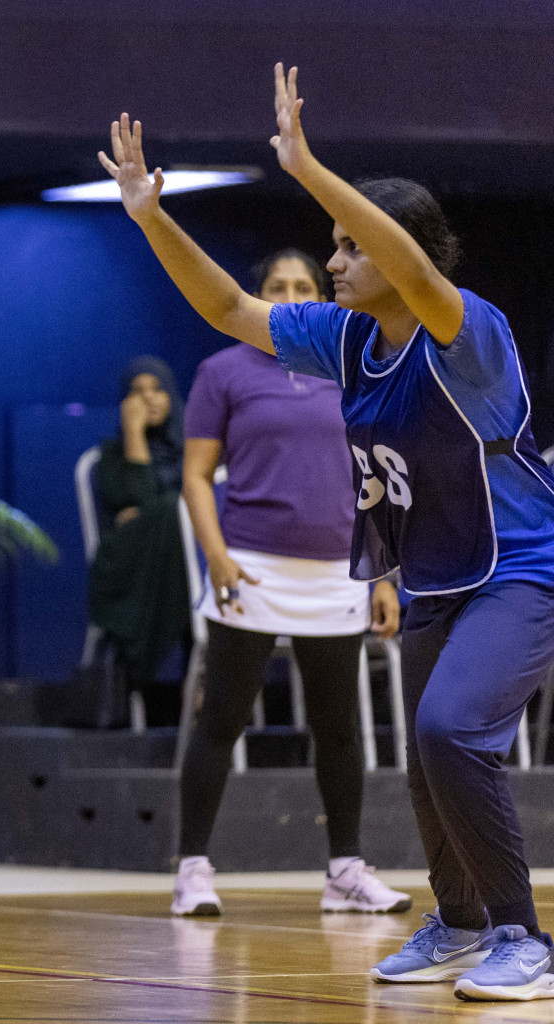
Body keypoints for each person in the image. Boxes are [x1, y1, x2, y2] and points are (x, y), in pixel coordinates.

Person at [99, 64, 554, 1002]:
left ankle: (525, 937)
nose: (335, 262)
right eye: (331, 246)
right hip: (434, 571)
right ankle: (462, 923)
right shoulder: (344, 340)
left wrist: (306, 164)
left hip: (521, 567)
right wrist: (151, 216)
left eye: (350, 248)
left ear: (401, 255)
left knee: (447, 730)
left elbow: (421, 273)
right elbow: (228, 309)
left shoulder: (465, 332)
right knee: (430, 763)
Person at [172, 249, 408, 917]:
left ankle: (345, 870)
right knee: (222, 719)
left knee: (338, 728)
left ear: (322, 296)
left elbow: (378, 479)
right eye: (277, 285)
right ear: (259, 294)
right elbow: (195, 476)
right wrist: (214, 555)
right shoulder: (223, 371)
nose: (293, 293)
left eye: (304, 285)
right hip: (250, 564)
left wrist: (383, 576)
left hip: (340, 570)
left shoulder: (352, 366)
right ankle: (192, 870)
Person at [86, 356, 189, 712]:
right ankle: (202, 677)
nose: (148, 399)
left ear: (173, 396)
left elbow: (142, 509)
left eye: (158, 389)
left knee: (176, 513)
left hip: (181, 564)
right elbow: (140, 497)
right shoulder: (111, 458)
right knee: (177, 510)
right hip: (129, 568)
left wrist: (150, 513)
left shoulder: (195, 453)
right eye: (137, 392)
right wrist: (133, 434)